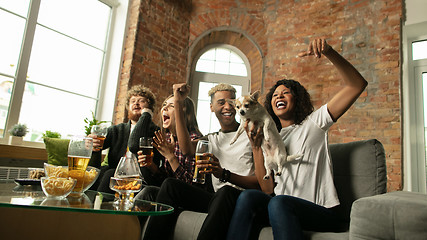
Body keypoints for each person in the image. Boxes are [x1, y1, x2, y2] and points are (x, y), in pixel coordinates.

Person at [226, 38, 368, 240]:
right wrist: (256, 146)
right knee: (249, 196)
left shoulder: (314, 124)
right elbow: (267, 188)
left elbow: (356, 85)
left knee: (279, 202)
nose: (279, 97)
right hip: (282, 207)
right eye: (274, 95)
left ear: (298, 98)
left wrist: (329, 52)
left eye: (285, 93)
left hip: (321, 211)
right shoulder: (271, 135)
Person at [142, 83, 260, 240]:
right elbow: (186, 150)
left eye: (232, 101)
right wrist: (177, 101)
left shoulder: (251, 133)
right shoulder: (212, 138)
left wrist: (223, 174)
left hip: (240, 198)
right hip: (216, 199)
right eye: (221, 102)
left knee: (225, 192)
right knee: (170, 186)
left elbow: (261, 183)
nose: (228, 106)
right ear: (211, 107)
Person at [131, 83, 204, 200]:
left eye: (171, 106)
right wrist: (152, 167)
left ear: (182, 112)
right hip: (169, 191)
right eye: (164, 105)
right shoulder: (168, 137)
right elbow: (166, 178)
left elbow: (189, 184)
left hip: (189, 196)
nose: (164, 108)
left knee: (148, 192)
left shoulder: (194, 139)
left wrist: (170, 156)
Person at [91, 85, 159, 193]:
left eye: (141, 101)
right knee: (108, 173)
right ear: (128, 107)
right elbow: (97, 145)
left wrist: (145, 116)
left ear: (149, 108)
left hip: (142, 179)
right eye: (133, 101)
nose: (136, 103)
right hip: (116, 176)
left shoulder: (156, 132)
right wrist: (92, 143)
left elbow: (134, 146)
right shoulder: (116, 130)